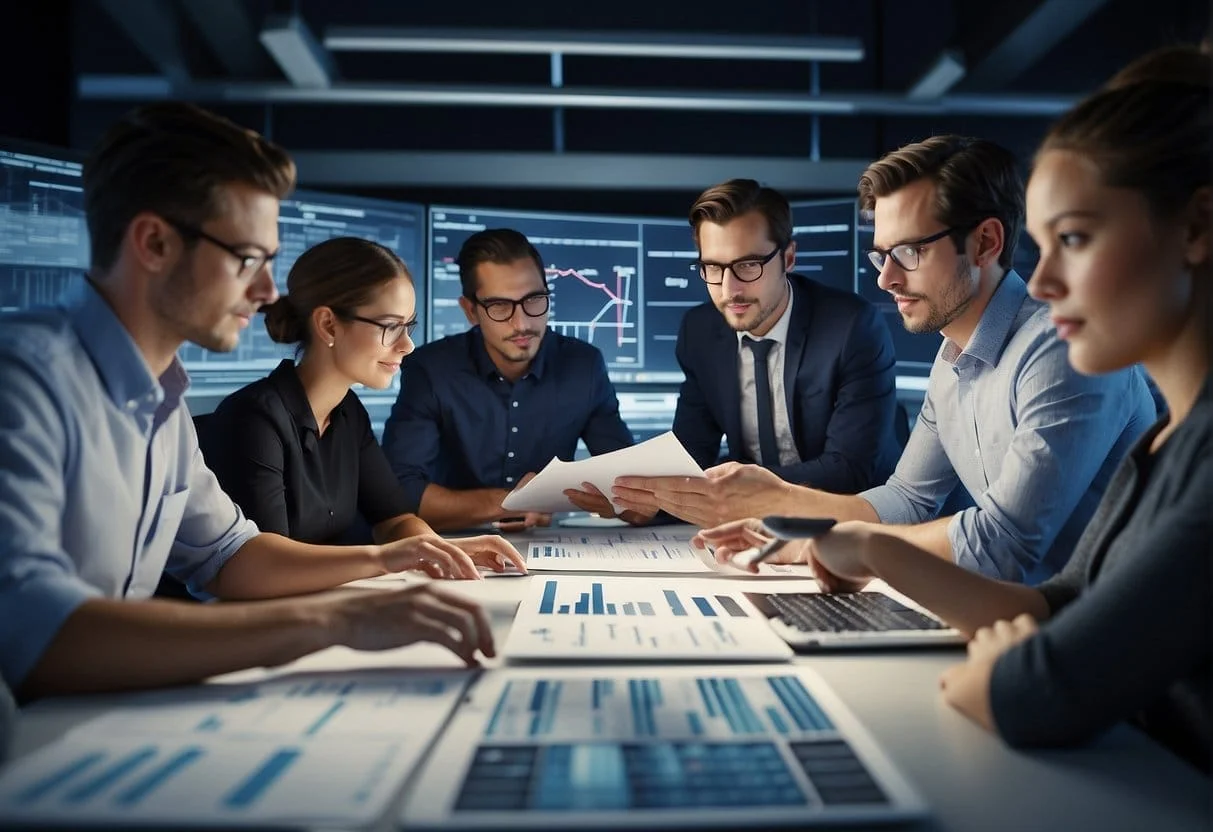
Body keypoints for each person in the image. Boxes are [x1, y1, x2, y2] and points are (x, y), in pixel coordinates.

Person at [697, 45, 1211, 771]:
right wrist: (832, 531)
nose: (1047, 281)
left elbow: (1030, 662)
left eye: (1073, 239)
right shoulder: (1158, 441)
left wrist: (1009, 664)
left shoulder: (1068, 358)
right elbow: (941, 521)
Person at [0, 103, 498, 701]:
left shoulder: (163, 402)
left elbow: (231, 556)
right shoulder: (24, 380)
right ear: (154, 242)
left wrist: (393, 561)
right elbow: (33, 630)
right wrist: (331, 622)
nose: (266, 294)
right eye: (247, 260)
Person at [622, 136, 1157, 584]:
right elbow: (905, 499)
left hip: (1105, 655)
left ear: (985, 242)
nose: (886, 278)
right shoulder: (953, 359)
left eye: (909, 253)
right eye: (882, 254)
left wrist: (840, 542)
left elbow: (1004, 545)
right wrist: (790, 522)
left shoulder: (1060, 347)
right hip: (1010, 614)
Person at [199, 236, 526, 574]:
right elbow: (267, 563)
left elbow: (395, 520)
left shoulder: (348, 412)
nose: (408, 345)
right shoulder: (255, 419)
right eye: (390, 326)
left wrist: (442, 550)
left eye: (408, 326)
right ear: (328, 324)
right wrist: (387, 558)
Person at [381, 228, 643, 531]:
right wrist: (512, 502)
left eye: (534, 299)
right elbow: (401, 492)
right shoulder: (430, 370)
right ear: (471, 311)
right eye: (500, 306)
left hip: (548, 547)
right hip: (454, 549)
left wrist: (626, 501)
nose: (522, 323)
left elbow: (631, 490)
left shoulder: (584, 366)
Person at [663, 179, 900, 500]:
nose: (730, 289)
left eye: (748, 265)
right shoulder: (699, 331)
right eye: (713, 268)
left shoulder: (851, 327)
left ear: (788, 258)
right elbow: (691, 454)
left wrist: (736, 485)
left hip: (850, 517)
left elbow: (850, 469)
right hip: (751, 521)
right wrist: (645, 500)